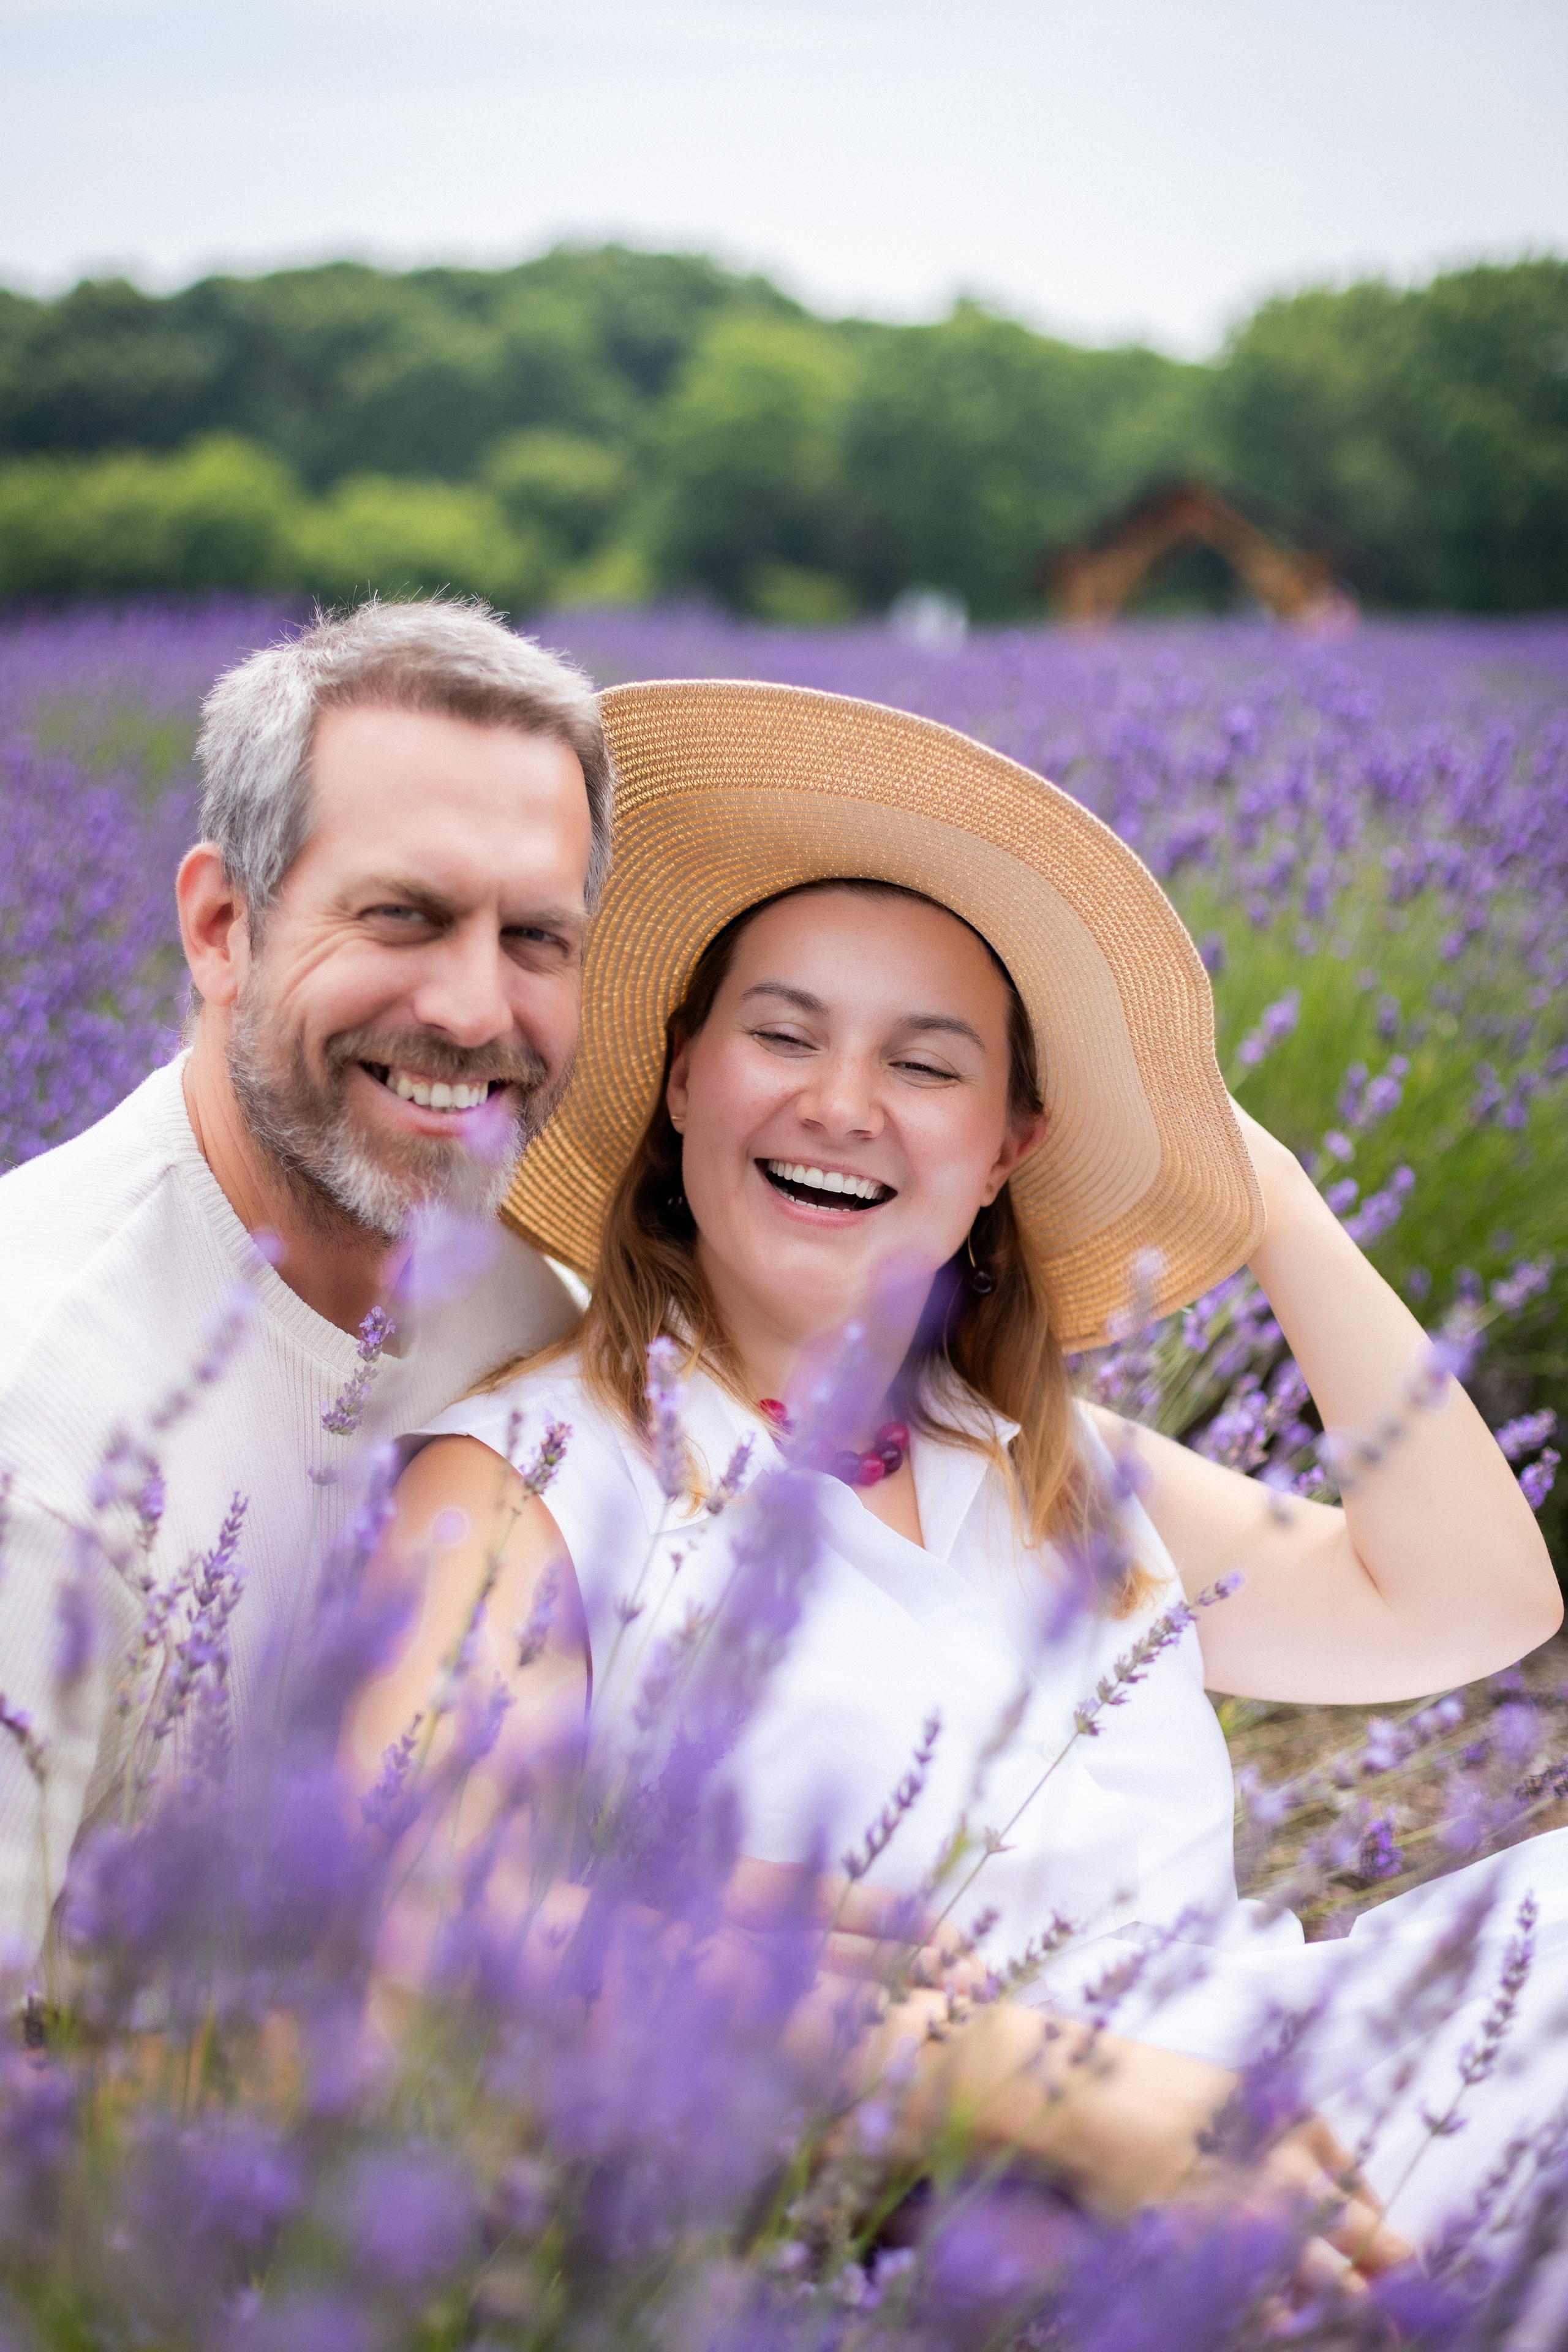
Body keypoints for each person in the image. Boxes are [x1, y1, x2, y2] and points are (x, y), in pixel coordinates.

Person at [353, 679, 1562, 2256]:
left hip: (1286, 2094)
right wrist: (1022, 2084)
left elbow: (1468, 1608)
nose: (837, 1104)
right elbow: (415, 1934)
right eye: (780, 1034)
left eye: (925, 1067)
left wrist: (1258, 1190)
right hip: (979, 2210)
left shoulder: (1046, 1466)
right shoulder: (534, 1477)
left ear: (1005, 1150)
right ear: (679, 1077)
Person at [0, 597, 612, 1967]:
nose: (473, 1010)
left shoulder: (536, 1318)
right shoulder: (36, 1416)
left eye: (535, 939)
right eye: (403, 916)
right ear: (222, 927)